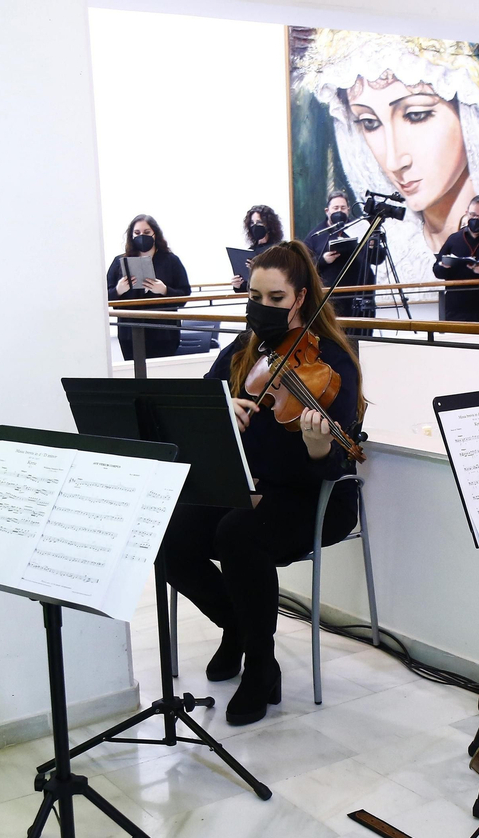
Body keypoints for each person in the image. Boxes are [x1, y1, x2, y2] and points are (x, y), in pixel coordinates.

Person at [161, 241, 365, 726]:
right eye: (255, 296)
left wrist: (319, 447)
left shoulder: (334, 359)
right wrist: (219, 409)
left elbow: (335, 462)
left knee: (238, 533)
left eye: (275, 298)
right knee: (167, 538)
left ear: (300, 298)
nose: (262, 308)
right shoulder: (244, 346)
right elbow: (200, 399)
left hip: (311, 497)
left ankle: (259, 666)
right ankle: (238, 628)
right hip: (244, 487)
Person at [294, 29, 479, 282]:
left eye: (416, 115)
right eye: (369, 122)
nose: (394, 161)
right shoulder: (378, 238)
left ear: (466, 109)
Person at [106, 214, 192, 361]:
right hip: (130, 332)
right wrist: (118, 290)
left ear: (155, 234)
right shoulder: (119, 261)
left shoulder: (171, 260)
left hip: (163, 332)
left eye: (146, 232)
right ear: (131, 235)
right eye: (137, 233)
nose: (141, 236)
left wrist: (164, 290)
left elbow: (184, 294)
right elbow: (105, 296)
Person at [302, 191, 381, 324]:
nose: (340, 211)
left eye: (343, 208)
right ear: (327, 210)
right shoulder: (316, 235)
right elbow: (303, 264)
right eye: (336, 208)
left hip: (360, 295)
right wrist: (323, 261)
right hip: (331, 299)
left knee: (363, 338)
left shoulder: (360, 228)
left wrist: (373, 244)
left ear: (348, 210)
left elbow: (378, 259)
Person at [432, 195, 479, 322]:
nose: (476, 219)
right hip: (455, 309)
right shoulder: (453, 239)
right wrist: (444, 267)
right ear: (466, 213)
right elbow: (436, 270)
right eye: (472, 214)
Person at [231, 205, 285, 292]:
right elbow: (248, 286)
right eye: (252, 223)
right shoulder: (251, 251)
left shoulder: (280, 250)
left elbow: (282, 281)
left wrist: (258, 269)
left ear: (269, 225)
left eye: (259, 222)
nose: (255, 226)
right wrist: (238, 285)